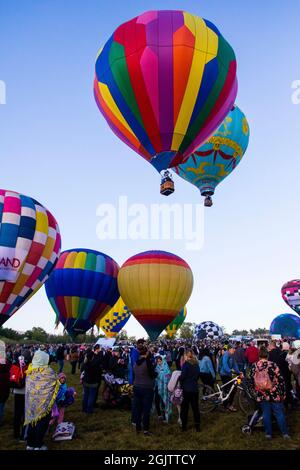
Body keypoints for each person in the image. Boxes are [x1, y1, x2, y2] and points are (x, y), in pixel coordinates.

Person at [249, 346, 290, 439]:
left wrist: (254, 393)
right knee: (279, 413)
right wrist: (283, 393)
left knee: (266, 414)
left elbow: (251, 381)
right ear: (267, 355)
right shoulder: (273, 365)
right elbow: (281, 380)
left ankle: (268, 434)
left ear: (259, 355)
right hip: (274, 393)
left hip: (261, 394)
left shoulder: (254, 366)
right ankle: (285, 433)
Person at [25, 349, 59, 450]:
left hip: (31, 403)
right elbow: (56, 382)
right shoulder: (49, 372)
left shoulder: (30, 369)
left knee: (32, 422)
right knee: (42, 423)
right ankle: (38, 444)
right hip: (44, 404)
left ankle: (30, 444)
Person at [133, 345, 156, 436]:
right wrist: (156, 372)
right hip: (146, 388)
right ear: (146, 353)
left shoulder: (136, 363)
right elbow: (152, 375)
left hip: (136, 386)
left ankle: (138, 427)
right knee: (146, 409)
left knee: (138, 408)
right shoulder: (147, 362)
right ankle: (145, 429)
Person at [180, 349, 201, 432]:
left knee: (184, 408)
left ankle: (184, 426)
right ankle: (197, 426)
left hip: (186, 389)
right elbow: (198, 376)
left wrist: (180, 378)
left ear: (186, 355)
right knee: (195, 408)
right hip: (194, 388)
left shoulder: (186, 365)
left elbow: (183, 376)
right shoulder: (196, 364)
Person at [219, 345, 240, 412]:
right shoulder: (226, 355)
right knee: (230, 389)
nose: (234, 350)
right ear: (229, 349)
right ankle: (227, 405)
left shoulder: (232, 356)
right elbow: (225, 365)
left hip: (229, 375)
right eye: (233, 348)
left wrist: (239, 372)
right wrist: (230, 370)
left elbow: (235, 365)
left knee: (232, 389)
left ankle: (227, 403)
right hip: (224, 374)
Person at [80, 349, 99, 414]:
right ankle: (89, 410)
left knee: (86, 395)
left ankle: (84, 408)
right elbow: (98, 372)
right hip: (93, 382)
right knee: (91, 396)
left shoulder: (85, 364)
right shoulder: (94, 364)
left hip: (86, 381)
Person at [154, 356, 171, 423]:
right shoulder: (156, 368)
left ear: (162, 360)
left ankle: (164, 416)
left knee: (164, 401)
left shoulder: (166, 367)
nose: (159, 362)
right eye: (157, 361)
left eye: (159, 361)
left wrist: (163, 375)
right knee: (157, 401)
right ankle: (159, 415)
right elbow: (154, 376)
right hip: (157, 386)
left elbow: (169, 375)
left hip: (164, 387)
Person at [0, 340, 10, 427]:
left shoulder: (6, 363)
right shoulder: (7, 364)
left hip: (3, 387)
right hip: (4, 388)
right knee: (1, 404)